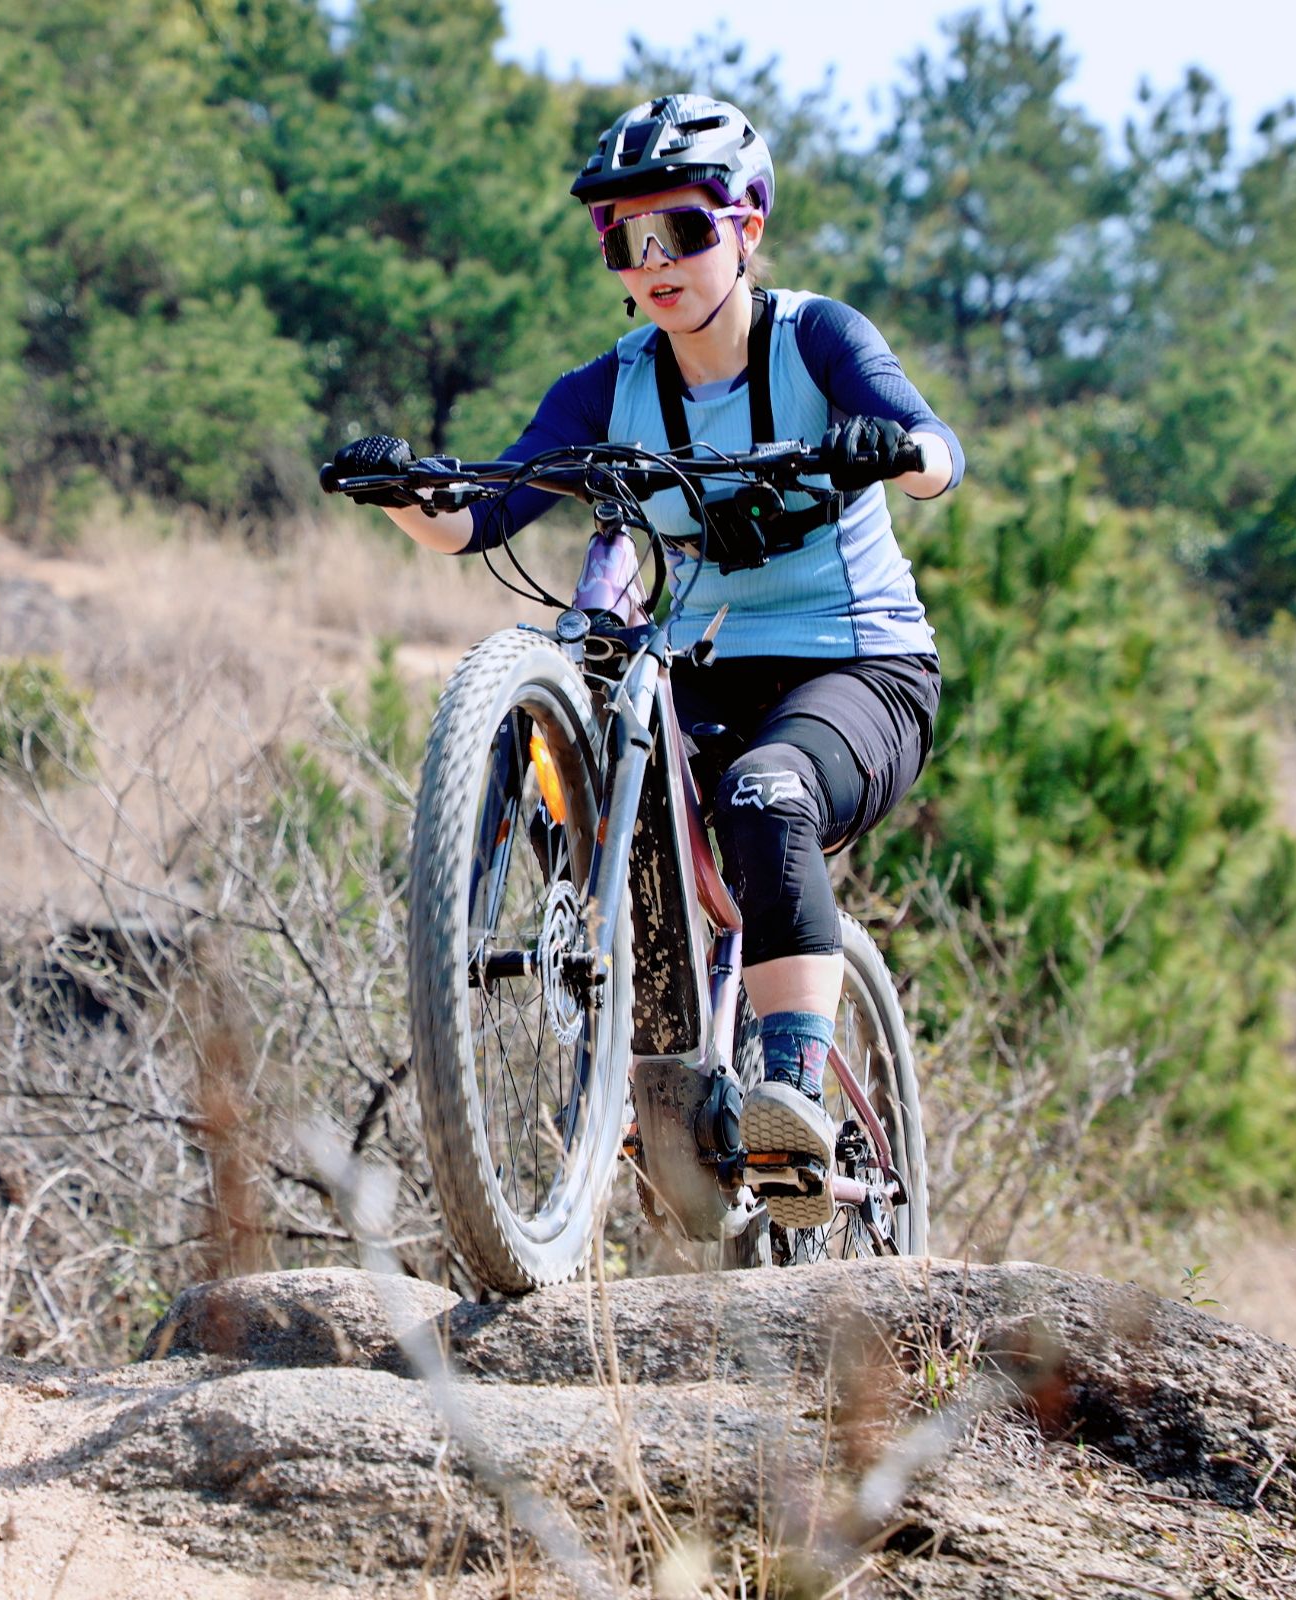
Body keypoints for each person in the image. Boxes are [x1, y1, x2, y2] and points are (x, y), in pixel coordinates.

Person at [321, 94, 962, 1229]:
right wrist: (405, 492)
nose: (653, 259)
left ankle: (792, 1104)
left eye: (683, 229)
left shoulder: (817, 339)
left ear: (748, 227)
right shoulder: (609, 387)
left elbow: (936, 453)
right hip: (706, 670)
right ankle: (640, 1068)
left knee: (769, 795)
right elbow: (482, 516)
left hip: (859, 669)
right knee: (623, 776)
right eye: (623, 237)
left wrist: (896, 450)